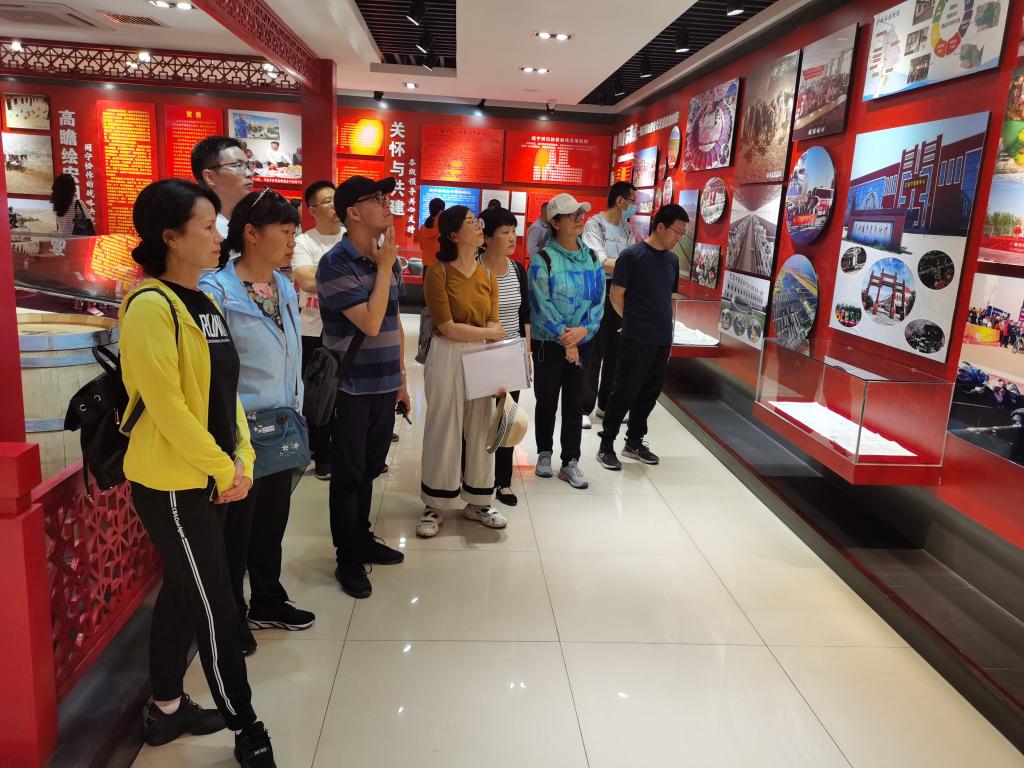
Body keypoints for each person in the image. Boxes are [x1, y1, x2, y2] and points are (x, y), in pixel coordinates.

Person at [121, 179, 277, 767]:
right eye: (207, 227)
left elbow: (225, 392)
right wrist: (221, 468)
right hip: (173, 483)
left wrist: (243, 458)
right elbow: (166, 407)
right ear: (170, 237)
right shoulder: (149, 307)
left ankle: (165, 709)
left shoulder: (204, 303)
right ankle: (246, 724)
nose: (219, 237)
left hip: (212, 474)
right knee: (216, 604)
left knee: (185, 594)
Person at [200, 188, 316, 656]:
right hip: (242, 431)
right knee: (236, 529)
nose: (292, 241)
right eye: (284, 231)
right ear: (251, 233)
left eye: (293, 232)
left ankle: (267, 599)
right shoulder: (217, 292)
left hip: (282, 423)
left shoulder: (283, 286)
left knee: (272, 520)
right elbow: (214, 372)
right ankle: (230, 615)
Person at [317, 176, 411, 599]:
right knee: (349, 474)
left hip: (384, 383)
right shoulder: (335, 264)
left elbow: (393, 322)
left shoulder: (383, 257)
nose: (386, 203)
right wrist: (386, 266)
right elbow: (370, 323)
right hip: (351, 386)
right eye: (377, 198)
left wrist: (402, 380)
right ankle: (347, 556)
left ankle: (362, 536)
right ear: (353, 212)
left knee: (372, 467)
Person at [417, 206, 507, 537]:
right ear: (454, 234)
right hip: (446, 353)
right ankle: (435, 503)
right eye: (471, 222)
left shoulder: (487, 275)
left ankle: (479, 501)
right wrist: (487, 332)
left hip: (480, 353)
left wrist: (490, 336)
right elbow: (447, 327)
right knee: (444, 426)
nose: (479, 226)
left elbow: (496, 323)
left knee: (482, 427)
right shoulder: (437, 272)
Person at [596, 204, 687, 471]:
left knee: (649, 393)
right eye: (677, 232)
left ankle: (634, 442)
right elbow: (616, 296)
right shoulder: (632, 256)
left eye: (683, 233)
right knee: (624, 391)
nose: (679, 238)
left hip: (662, 338)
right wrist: (633, 322)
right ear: (660, 227)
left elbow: (666, 298)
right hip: (635, 337)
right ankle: (606, 445)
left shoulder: (672, 260)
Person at [528, 193, 605, 489]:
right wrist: (567, 339)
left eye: (580, 214)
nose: (579, 219)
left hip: (583, 341)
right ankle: (544, 453)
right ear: (555, 222)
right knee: (546, 401)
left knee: (574, 403)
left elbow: (598, 302)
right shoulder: (543, 260)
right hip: (549, 344)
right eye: (572, 215)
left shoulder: (593, 259)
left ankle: (570, 461)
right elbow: (541, 304)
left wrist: (584, 331)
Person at [292, 180, 344, 480]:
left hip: (348, 330)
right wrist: (346, 275)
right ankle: (322, 455)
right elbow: (306, 280)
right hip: (312, 329)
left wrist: (321, 271)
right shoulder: (303, 242)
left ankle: (343, 452)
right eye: (326, 201)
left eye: (335, 199)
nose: (334, 205)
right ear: (312, 210)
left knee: (345, 395)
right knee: (318, 395)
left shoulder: (351, 236)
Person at [479, 206, 531, 507]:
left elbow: (525, 313)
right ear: (486, 238)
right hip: (481, 354)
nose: (512, 238)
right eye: (505, 232)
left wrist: (526, 353)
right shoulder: (474, 269)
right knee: (477, 419)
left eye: (513, 231)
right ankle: (474, 475)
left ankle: (503, 480)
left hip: (512, 354)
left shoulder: (517, 270)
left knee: (506, 417)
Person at [582, 181, 638, 427]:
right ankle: (584, 407)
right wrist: (628, 266)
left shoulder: (627, 229)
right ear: (620, 201)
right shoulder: (594, 225)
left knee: (616, 352)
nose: (635, 206)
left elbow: (632, 260)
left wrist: (626, 268)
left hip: (621, 292)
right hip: (598, 293)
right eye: (632, 201)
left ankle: (606, 405)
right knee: (594, 351)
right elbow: (600, 262)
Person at [192, 135, 255, 237]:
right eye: (237, 165)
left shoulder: (255, 220)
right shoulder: (197, 232)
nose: (249, 174)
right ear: (210, 177)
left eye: (248, 165)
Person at [415, 197, 445, 266]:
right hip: (438, 266)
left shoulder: (422, 228)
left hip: (426, 264)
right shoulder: (443, 229)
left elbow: (422, 247)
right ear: (441, 211)